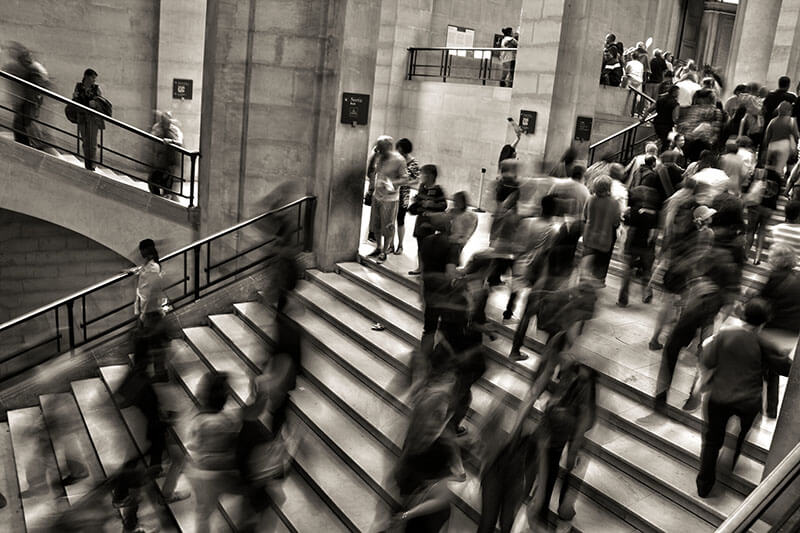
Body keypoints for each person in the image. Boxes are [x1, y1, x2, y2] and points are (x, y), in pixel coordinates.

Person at [695, 299, 792, 497]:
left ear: (743, 315)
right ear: (764, 322)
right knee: (741, 434)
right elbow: (786, 368)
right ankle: (732, 459)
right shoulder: (764, 343)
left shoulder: (725, 334)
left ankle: (704, 485)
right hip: (748, 401)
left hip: (719, 398)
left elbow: (708, 360)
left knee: (712, 441)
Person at [186, 372, 244, 533]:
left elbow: (193, 444)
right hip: (214, 475)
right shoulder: (224, 422)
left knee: (203, 512)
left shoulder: (199, 419)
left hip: (198, 473)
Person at [617, 159, 660, 307]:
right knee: (647, 271)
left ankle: (623, 299)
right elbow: (654, 232)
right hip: (647, 247)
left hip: (632, 244)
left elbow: (627, 229)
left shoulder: (632, 212)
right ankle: (647, 293)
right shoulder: (654, 213)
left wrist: (623, 247)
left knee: (626, 273)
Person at [4, 42, 55, 154]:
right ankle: (28, 150)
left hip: (29, 106)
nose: (19, 62)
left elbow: (34, 91)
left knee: (26, 129)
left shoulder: (33, 70)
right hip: (29, 105)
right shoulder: (33, 68)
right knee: (22, 128)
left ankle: (39, 152)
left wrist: (27, 107)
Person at [131, 239, 169, 383]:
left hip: (151, 311)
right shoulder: (149, 266)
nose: (140, 253)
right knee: (154, 342)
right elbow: (142, 271)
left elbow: (149, 292)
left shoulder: (153, 268)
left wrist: (141, 316)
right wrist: (133, 271)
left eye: (141, 250)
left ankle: (159, 372)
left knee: (154, 343)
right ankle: (160, 372)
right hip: (150, 310)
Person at [368, 135, 410, 262]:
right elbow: (371, 172)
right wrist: (374, 156)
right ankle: (378, 247)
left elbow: (405, 178)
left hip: (390, 199)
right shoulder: (379, 157)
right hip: (377, 195)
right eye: (378, 148)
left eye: (381, 148)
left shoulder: (399, 160)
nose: (379, 150)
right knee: (375, 224)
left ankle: (385, 250)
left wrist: (392, 183)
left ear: (388, 147)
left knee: (387, 225)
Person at [745, 152, 784, 264]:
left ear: (765, 161)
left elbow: (748, 188)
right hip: (769, 208)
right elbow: (777, 194)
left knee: (751, 230)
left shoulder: (758, 172)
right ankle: (757, 257)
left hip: (755, 205)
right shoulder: (778, 177)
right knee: (762, 231)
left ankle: (746, 254)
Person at [408, 165, 447, 275]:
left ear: (430, 176)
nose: (421, 176)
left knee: (428, 244)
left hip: (430, 221)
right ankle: (420, 267)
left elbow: (443, 205)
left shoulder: (438, 189)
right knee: (419, 243)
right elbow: (419, 201)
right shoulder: (422, 187)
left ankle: (428, 267)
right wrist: (417, 201)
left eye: (423, 174)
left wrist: (432, 204)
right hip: (421, 218)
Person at [582, 176, 621, 284]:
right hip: (604, 238)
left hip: (589, 236)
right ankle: (598, 281)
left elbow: (585, 217)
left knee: (587, 263)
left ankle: (584, 282)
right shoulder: (614, 203)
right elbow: (616, 223)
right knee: (601, 263)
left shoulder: (590, 199)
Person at [72, 68, 105, 170]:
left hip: (93, 118)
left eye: (94, 78)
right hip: (82, 117)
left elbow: (102, 103)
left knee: (93, 142)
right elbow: (75, 100)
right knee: (85, 141)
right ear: (86, 77)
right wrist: (74, 97)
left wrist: (96, 104)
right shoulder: (78, 87)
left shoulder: (96, 88)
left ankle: (92, 165)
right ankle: (87, 163)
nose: (94, 80)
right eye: (92, 78)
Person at [148, 111, 184, 200]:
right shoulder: (157, 127)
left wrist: (171, 141)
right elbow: (152, 136)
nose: (165, 123)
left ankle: (167, 197)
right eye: (163, 120)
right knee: (153, 180)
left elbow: (180, 141)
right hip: (159, 159)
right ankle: (157, 198)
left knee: (168, 181)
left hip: (170, 160)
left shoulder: (174, 129)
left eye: (167, 121)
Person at [394, 138, 420, 255]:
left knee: (400, 219)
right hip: (392, 193)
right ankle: (390, 245)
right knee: (390, 220)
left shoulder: (413, 163)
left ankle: (400, 245)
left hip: (403, 194)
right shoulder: (396, 160)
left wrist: (403, 182)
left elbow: (416, 180)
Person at [762, 100, 799, 172]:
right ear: (789, 110)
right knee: (788, 168)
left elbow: (767, 137)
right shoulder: (791, 120)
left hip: (772, 146)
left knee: (771, 170)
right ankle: (786, 178)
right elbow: (796, 136)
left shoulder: (772, 121)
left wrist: (766, 148)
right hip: (785, 147)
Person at [447, 191, 477, 263]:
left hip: (458, 241)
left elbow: (469, 232)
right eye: (454, 201)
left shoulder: (470, 216)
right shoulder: (451, 212)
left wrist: (460, 241)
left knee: (453, 255)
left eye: (457, 201)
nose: (455, 203)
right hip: (449, 238)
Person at [651, 85, 680, 152]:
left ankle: (655, 151)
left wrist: (643, 119)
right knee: (666, 143)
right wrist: (677, 125)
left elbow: (650, 109)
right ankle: (662, 156)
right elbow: (675, 117)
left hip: (657, 123)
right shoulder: (675, 103)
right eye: (678, 92)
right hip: (667, 126)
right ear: (674, 92)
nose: (678, 94)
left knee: (661, 140)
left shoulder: (660, 99)